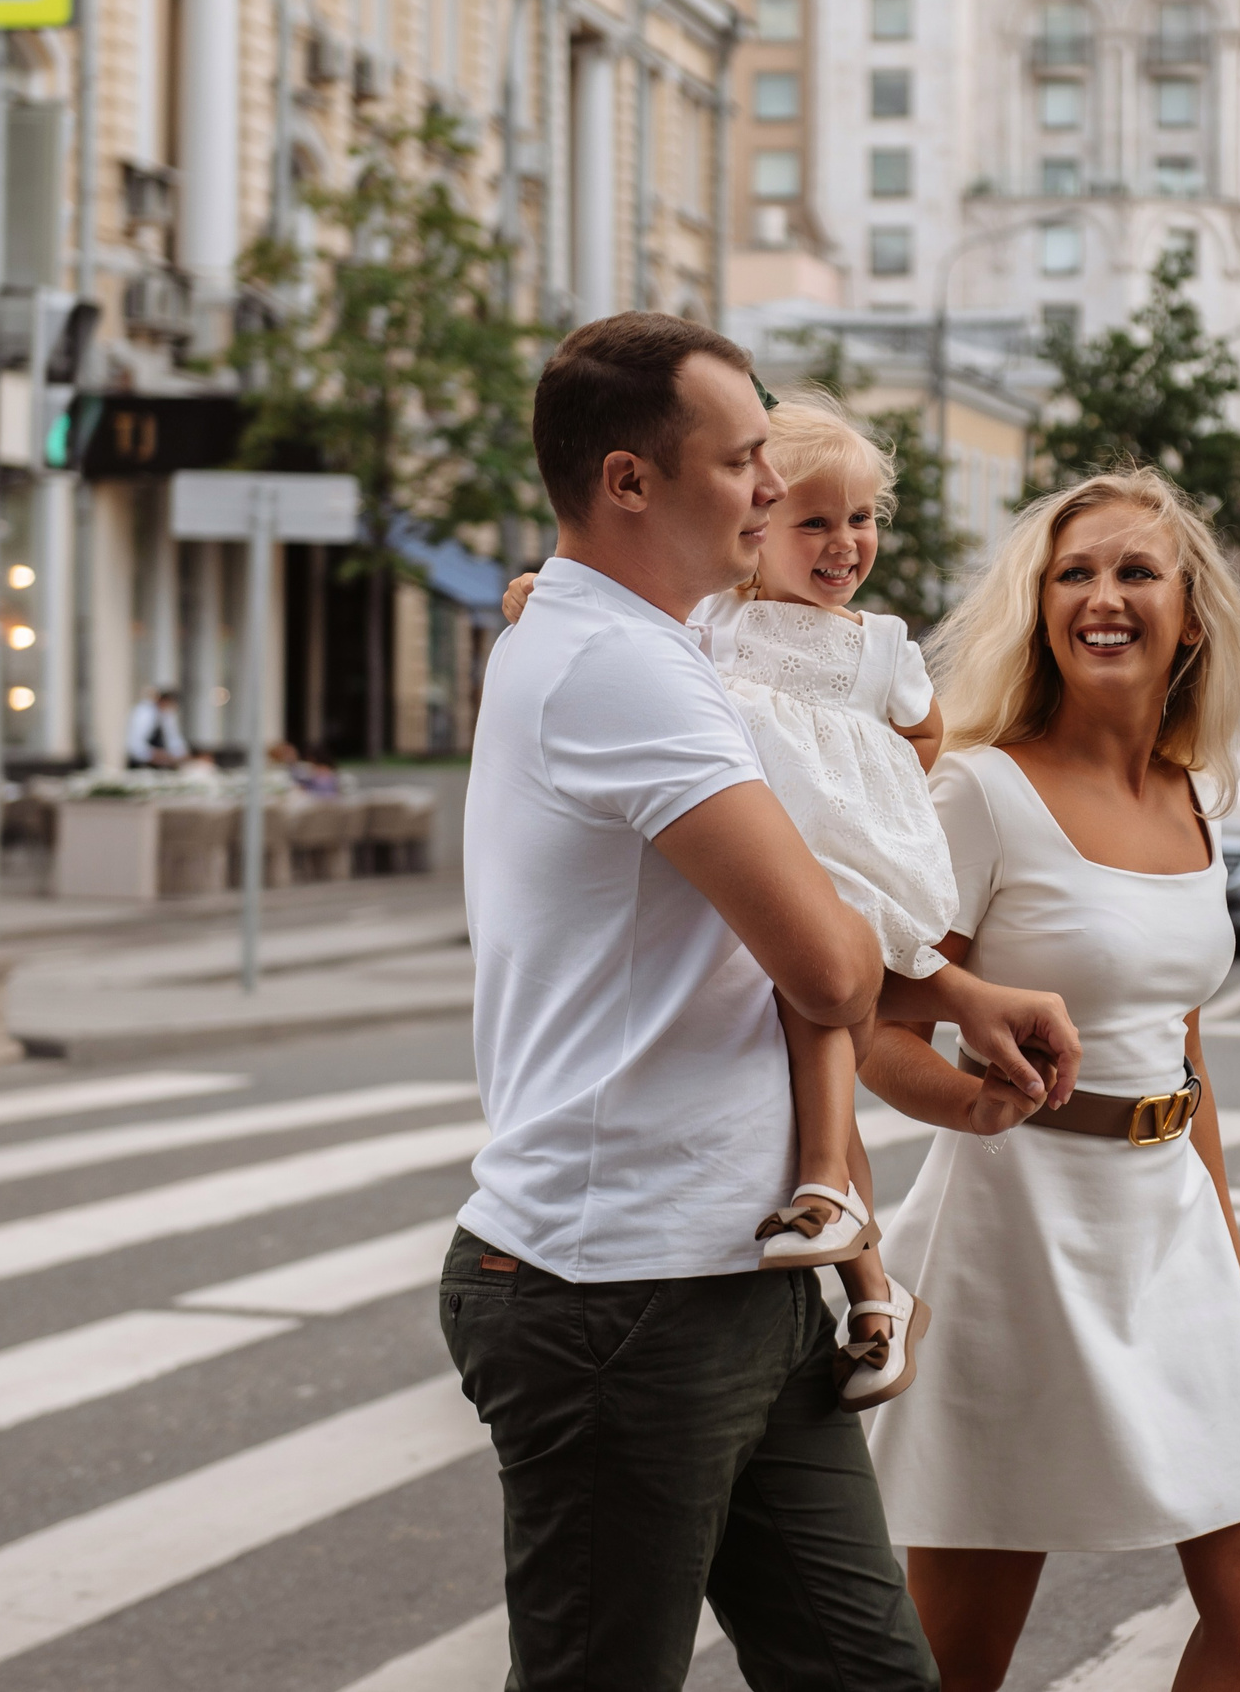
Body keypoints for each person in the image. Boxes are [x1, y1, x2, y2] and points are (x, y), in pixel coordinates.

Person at [447, 311, 1079, 1692]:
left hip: (744, 1269)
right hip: (625, 1289)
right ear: (629, 481)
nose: (769, 487)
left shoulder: (646, 641)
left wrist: (956, 987)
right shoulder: (622, 666)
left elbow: (774, 945)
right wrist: (914, 972)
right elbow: (827, 970)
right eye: (741, 460)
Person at [860, 469, 1240, 1692]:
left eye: (1134, 571)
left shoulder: (1190, 793)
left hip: (1168, 1227)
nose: (1101, 596)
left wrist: (1221, 1238)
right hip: (1016, 1235)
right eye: (1074, 573)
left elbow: (1184, 1044)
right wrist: (971, 1099)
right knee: (961, 1652)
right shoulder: (980, 790)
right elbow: (872, 1018)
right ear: (1040, 606)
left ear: (1191, 614)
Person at [498, 390, 950, 1408]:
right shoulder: (712, 620)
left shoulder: (879, 643)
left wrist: (880, 785)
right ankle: (874, 1292)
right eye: (814, 521)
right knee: (801, 1052)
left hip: (833, 861)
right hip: (754, 870)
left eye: (861, 519)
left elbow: (928, 731)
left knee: (818, 1013)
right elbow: (607, 622)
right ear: (761, 522)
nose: (844, 543)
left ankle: (828, 1188)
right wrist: (536, 593)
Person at [125, 688, 189, 767]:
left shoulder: (167, 715)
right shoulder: (144, 713)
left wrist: (180, 753)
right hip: (140, 764)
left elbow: (173, 739)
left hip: (160, 764)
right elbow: (134, 745)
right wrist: (155, 755)